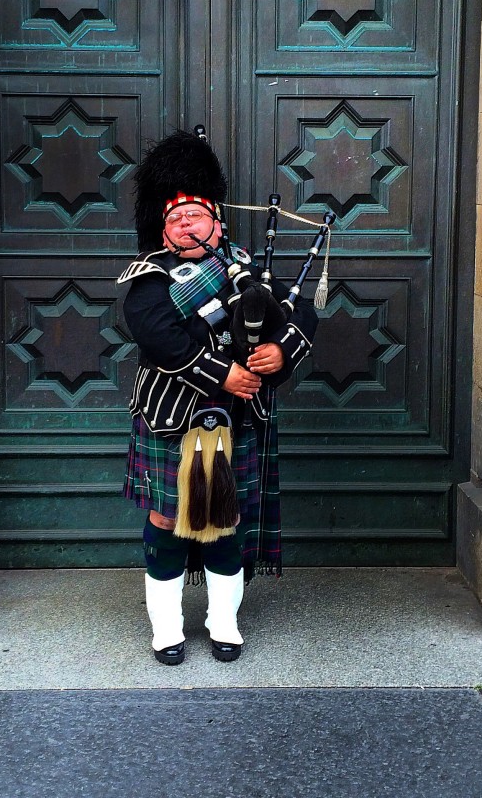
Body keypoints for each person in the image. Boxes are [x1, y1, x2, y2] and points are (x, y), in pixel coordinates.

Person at [118, 129, 318, 665]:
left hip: (237, 419)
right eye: (174, 217)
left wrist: (281, 351)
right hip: (172, 417)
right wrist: (223, 374)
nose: (185, 222)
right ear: (162, 229)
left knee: (225, 517)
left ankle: (223, 622)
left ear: (218, 220)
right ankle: (166, 628)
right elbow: (158, 335)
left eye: (196, 214)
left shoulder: (249, 269)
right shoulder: (150, 275)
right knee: (167, 516)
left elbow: (302, 314)